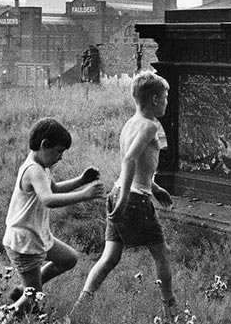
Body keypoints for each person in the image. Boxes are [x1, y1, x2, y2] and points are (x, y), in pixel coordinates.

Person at [67, 70, 177, 323]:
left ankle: (79, 308)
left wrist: (156, 189)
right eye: (165, 97)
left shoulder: (130, 123)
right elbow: (130, 159)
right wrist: (128, 198)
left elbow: (141, 167)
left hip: (116, 193)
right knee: (163, 254)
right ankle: (171, 312)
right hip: (133, 199)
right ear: (153, 99)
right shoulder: (150, 126)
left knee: (109, 258)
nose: (167, 102)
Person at [2, 118, 105, 320]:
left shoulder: (41, 168)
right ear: (44, 145)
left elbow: (54, 189)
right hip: (24, 242)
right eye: (58, 151)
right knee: (33, 299)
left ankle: (24, 290)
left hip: (36, 236)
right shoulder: (33, 170)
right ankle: (2, 317)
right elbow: (49, 199)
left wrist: (81, 180)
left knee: (69, 259)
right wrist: (85, 194)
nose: (60, 157)